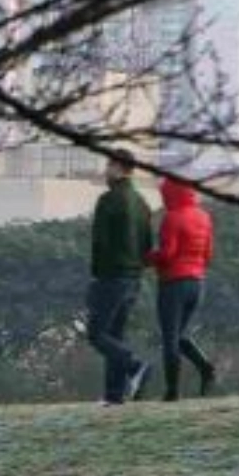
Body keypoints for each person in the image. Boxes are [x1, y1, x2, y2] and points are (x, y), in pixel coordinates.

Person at [86, 148, 154, 405]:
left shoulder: (109, 200)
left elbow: (99, 243)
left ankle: (135, 365)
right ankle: (114, 395)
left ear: (117, 168)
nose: (105, 171)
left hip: (110, 276)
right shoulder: (143, 203)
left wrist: (96, 276)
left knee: (97, 334)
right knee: (115, 334)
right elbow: (148, 246)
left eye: (108, 166)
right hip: (134, 278)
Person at [147, 177, 216, 401]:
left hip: (173, 284)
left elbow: (167, 254)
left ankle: (172, 391)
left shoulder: (173, 218)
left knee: (170, 339)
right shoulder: (204, 217)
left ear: (171, 194)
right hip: (197, 284)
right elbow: (208, 254)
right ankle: (205, 368)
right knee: (179, 335)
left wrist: (147, 258)